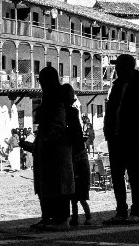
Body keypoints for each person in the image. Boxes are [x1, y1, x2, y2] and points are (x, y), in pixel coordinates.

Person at [21, 67, 75, 230]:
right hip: (47, 149)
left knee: (58, 185)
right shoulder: (48, 98)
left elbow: (58, 124)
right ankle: (47, 217)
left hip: (56, 150)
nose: (41, 84)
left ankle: (61, 219)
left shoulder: (56, 98)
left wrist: (48, 142)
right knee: (46, 185)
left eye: (43, 80)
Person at [103, 54, 139, 225]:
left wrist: (135, 134)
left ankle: (136, 212)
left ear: (129, 68)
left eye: (119, 67)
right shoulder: (116, 86)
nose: (116, 70)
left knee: (133, 174)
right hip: (114, 138)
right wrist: (108, 132)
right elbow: (110, 110)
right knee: (117, 175)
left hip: (131, 138)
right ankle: (121, 211)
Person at [61, 85, 92, 226]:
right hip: (78, 155)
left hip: (75, 156)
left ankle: (81, 217)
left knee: (75, 196)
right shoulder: (73, 113)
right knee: (76, 197)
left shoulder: (69, 114)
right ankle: (77, 217)